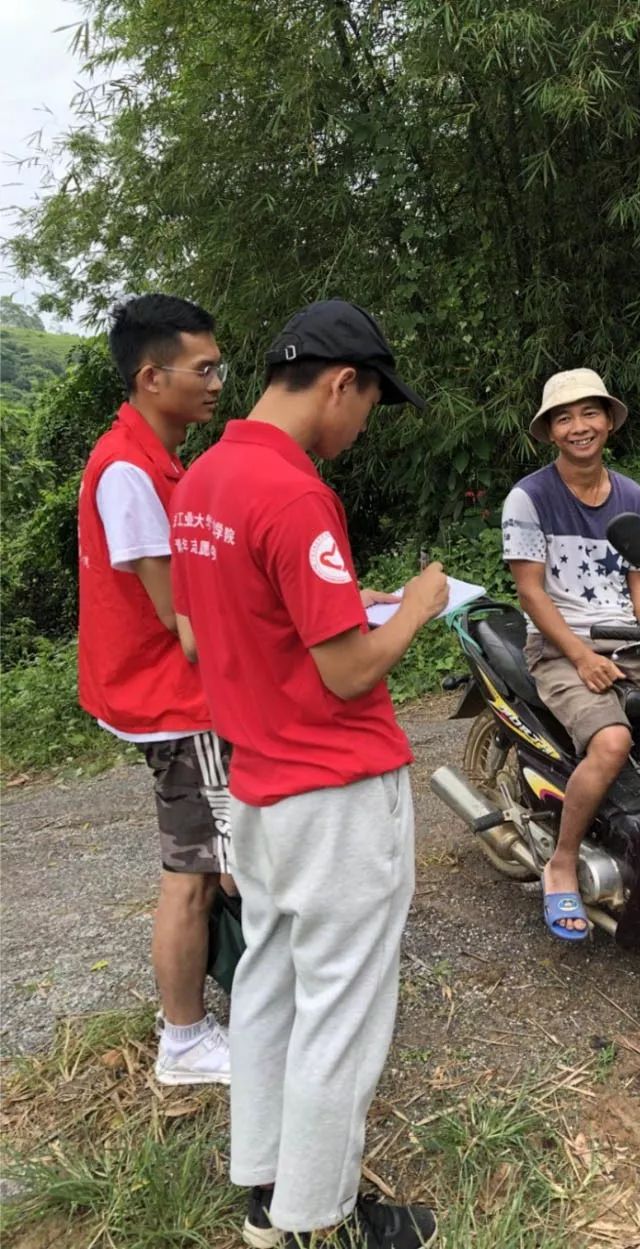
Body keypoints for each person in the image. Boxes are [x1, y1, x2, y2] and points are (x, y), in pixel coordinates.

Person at [169, 299, 447, 1249]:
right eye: (367, 404)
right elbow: (349, 668)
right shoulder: (291, 490)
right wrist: (415, 606)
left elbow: (210, 632)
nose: (362, 426)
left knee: (270, 987)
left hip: (256, 784)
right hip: (332, 792)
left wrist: (341, 616)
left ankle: (263, 1185)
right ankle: (313, 1218)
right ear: (341, 383)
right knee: (341, 1011)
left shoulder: (203, 478)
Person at [77, 293, 232, 1086]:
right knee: (194, 870)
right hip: (171, 697)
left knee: (215, 859)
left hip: (166, 692)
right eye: (202, 368)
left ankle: (217, 1007)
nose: (216, 382)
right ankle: (184, 1039)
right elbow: (186, 623)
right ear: (150, 376)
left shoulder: (153, 457)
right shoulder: (129, 472)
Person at [502, 368, 640, 942]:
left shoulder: (632, 495)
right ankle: (562, 862)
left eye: (589, 414)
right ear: (550, 432)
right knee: (612, 741)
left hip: (628, 641)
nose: (579, 427)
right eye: (564, 417)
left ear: (608, 421)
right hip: (559, 645)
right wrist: (579, 656)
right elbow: (530, 590)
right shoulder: (530, 497)